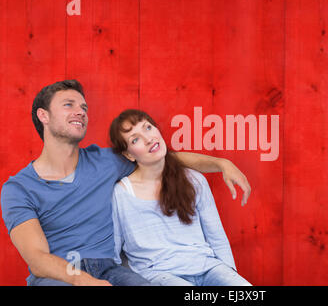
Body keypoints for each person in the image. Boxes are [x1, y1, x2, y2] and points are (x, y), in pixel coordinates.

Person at [0, 80, 251, 286]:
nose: (80, 111)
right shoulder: (18, 189)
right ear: (43, 115)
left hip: (110, 268)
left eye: (84, 107)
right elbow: (37, 259)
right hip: (60, 274)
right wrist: (83, 280)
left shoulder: (105, 161)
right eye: (69, 105)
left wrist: (221, 164)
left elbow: (160, 156)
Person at [109, 109, 251, 286]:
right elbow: (113, 254)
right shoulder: (120, 194)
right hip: (159, 274)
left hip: (207, 266)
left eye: (148, 127)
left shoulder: (194, 180)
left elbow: (217, 238)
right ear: (129, 154)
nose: (148, 138)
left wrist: (230, 276)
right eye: (135, 139)